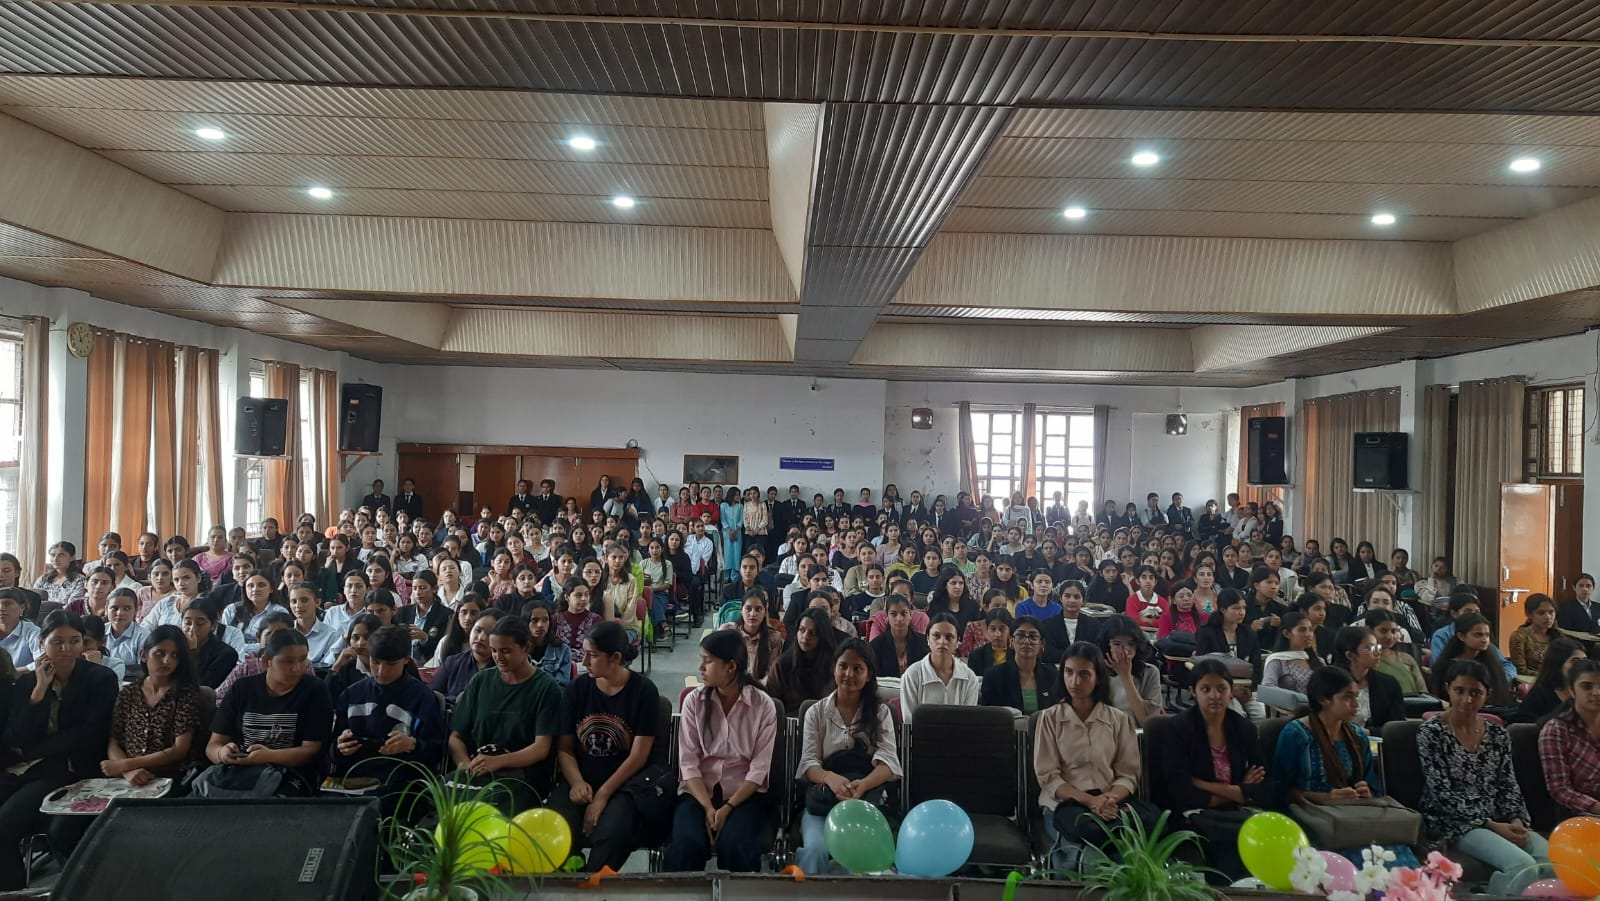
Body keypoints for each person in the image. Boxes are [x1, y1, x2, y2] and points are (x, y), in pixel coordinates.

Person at [0, 612, 114, 887]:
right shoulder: (27, 682)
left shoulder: (100, 678)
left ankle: (13, 890)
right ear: (42, 642)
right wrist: (39, 691)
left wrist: (31, 750)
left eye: (75, 641)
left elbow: (87, 735)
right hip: (26, 768)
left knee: (4, 826)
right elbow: (15, 735)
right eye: (57, 641)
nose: (66, 649)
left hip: (71, 768)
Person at [1419, 661, 1548, 895]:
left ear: (1487, 694)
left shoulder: (1498, 734)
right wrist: (1491, 825)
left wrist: (1517, 819)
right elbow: (1441, 793)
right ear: (1448, 689)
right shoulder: (1432, 732)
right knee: (1522, 866)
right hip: (1454, 821)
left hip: (1498, 816)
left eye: (1475, 693)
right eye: (1459, 691)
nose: (1466, 699)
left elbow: (1508, 783)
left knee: (1551, 860)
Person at [1273, 667, 1417, 868]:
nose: (1356, 704)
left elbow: (1373, 786)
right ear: (1324, 699)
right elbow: (1280, 790)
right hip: (1312, 819)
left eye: (1356, 696)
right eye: (1347, 697)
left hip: (1352, 817)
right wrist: (1326, 797)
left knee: (1395, 854)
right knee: (1361, 859)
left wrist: (1366, 791)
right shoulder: (1297, 735)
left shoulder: (1357, 736)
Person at [662, 629, 778, 873]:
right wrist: (708, 808)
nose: (701, 668)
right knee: (686, 846)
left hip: (744, 796)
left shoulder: (762, 705)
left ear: (731, 667)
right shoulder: (694, 702)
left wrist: (728, 808)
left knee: (737, 845)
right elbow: (688, 763)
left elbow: (759, 770)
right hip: (697, 793)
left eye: (708, 661)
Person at [553, 621, 663, 872]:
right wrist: (577, 782)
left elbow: (638, 756)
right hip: (582, 777)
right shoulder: (577, 689)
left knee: (614, 832)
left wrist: (602, 795)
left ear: (615, 658)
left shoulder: (643, 691)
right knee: (556, 825)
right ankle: (568, 879)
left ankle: (593, 884)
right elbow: (565, 748)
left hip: (626, 783)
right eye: (584, 654)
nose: (585, 662)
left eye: (592, 655)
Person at [1034, 641, 1162, 856]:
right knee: (1090, 845)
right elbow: (1048, 777)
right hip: (1065, 805)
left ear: (1098, 678)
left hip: (1111, 802)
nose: (1075, 681)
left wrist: (1109, 799)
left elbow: (1128, 774)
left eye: (1084, 674)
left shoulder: (1118, 719)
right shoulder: (1049, 718)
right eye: (1069, 672)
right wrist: (1091, 801)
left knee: (1143, 829)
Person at [1154, 659, 1276, 882]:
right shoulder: (1178, 728)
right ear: (1193, 692)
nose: (1214, 696)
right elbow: (1178, 788)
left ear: (1231, 691)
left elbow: (1265, 786)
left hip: (1233, 809)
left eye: (1221, 689)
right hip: (1192, 811)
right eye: (1206, 689)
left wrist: (1205, 785)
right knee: (1228, 847)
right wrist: (1239, 791)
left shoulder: (1244, 728)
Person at [795, 639, 902, 875]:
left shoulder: (881, 713)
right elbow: (809, 763)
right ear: (834, 668)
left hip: (865, 801)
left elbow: (888, 763)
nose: (848, 674)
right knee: (815, 851)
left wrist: (863, 785)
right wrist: (830, 778)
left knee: (854, 853)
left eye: (857, 668)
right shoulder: (816, 712)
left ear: (868, 675)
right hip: (823, 802)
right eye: (843, 666)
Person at [448, 615, 563, 813]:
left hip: (523, 777)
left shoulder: (546, 687)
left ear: (526, 647)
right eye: (494, 650)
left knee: (488, 812)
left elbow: (541, 748)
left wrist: (497, 762)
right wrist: (466, 767)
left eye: (506, 651)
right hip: (478, 771)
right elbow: (456, 737)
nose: (498, 657)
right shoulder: (481, 681)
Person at [202, 628, 334, 797]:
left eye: (302, 660)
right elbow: (213, 746)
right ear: (266, 662)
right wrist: (222, 754)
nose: (297, 668)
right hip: (238, 772)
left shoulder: (315, 690)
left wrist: (268, 756)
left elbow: (311, 751)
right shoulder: (242, 689)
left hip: (291, 775)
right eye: (287, 661)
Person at [329, 625, 446, 815]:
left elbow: (436, 750)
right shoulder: (351, 694)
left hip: (399, 779)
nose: (381, 671)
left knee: (374, 810)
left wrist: (413, 745)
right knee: (325, 809)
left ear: (406, 659)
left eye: (390, 664)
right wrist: (340, 748)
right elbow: (332, 750)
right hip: (353, 776)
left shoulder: (422, 697)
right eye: (375, 662)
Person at [103, 624, 202, 785]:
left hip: (168, 776)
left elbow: (179, 750)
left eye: (174, 655)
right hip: (128, 776)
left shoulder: (184, 694)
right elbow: (114, 742)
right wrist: (129, 772)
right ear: (143, 655)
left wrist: (126, 765)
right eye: (160, 653)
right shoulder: (129, 692)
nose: (167, 661)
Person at [1537, 658, 1600, 815]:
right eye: (1586, 686)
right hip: (1580, 813)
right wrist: (1596, 807)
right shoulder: (1556, 730)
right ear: (1572, 690)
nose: (1596, 693)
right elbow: (1560, 789)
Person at [900, 613, 978, 723]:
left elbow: (968, 722)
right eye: (936, 636)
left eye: (949, 637)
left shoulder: (969, 678)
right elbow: (909, 722)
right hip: (920, 734)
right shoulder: (912, 675)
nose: (942, 642)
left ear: (957, 642)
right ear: (928, 639)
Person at [1328, 625, 1406, 730]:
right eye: (1370, 648)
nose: (1377, 652)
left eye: (1377, 647)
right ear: (1350, 655)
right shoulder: (1329, 682)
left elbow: (1397, 727)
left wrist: (1369, 733)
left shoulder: (1389, 683)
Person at [979, 615, 1059, 714]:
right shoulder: (994, 676)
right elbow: (988, 717)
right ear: (1011, 641)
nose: (1026, 641)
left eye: (1033, 637)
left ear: (1042, 643)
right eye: (1020, 636)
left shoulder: (1053, 676)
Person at [1432, 613, 1513, 705]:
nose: (1484, 640)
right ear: (1461, 636)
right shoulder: (1446, 666)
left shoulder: (1491, 663)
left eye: (1487, 635)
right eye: (1478, 635)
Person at [429, 608, 505, 703]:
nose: (481, 637)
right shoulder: (452, 662)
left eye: (489, 634)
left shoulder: (505, 669)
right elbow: (432, 695)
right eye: (478, 630)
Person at [768, 608, 837, 712]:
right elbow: (772, 704)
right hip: (790, 719)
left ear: (822, 636)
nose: (805, 637)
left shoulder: (834, 665)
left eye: (812, 633)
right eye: (802, 630)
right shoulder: (783, 664)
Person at [1097, 615, 1162, 725]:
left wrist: (1125, 676)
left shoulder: (1150, 672)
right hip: (1102, 730)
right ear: (1107, 645)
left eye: (1131, 644)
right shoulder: (1095, 670)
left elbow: (1148, 722)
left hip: (1135, 731)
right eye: (1117, 644)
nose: (1125, 651)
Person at [721, 589, 782, 686]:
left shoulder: (774, 638)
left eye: (758, 609)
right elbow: (721, 668)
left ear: (765, 612)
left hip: (760, 689)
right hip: (731, 687)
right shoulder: (729, 633)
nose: (753, 614)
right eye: (748, 609)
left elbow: (770, 674)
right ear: (741, 610)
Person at [1260, 610, 1319, 711]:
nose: (1308, 634)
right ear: (1287, 633)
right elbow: (1268, 688)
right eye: (1302, 630)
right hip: (1290, 713)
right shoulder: (1278, 660)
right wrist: (1300, 701)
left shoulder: (1317, 661)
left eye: (1310, 630)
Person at [1516, 639, 1585, 724]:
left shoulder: (1588, 691)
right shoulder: (1539, 694)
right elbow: (1523, 726)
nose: (1582, 665)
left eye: (1584, 660)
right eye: (1575, 661)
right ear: (1558, 664)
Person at [1195, 589, 1260, 672]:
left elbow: (1256, 665)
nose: (1242, 613)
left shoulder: (1248, 633)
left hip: (1245, 678)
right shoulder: (1206, 633)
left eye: (1244, 608)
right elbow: (1202, 665)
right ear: (1223, 610)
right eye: (1236, 608)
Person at [1365, 610, 1427, 695]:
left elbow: (1423, 692)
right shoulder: (1364, 659)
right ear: (1368, 630)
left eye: (1393, 631)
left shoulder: (1407, 658)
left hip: (1414, 702)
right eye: (1383, 631)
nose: (1390, 636)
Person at [183, 599, 240, 690]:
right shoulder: (174, 646)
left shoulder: (226, 654)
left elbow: (202, 686)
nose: (192, 628)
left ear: (213, 625)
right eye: (187, 623)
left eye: (200, 623)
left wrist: (192, 651)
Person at [868, 594, 928, 677]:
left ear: (910, 615)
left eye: (904, 613)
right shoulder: (876, 645)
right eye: (893, 614)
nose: (899, 619)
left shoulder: (923, 642)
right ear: (887, 617)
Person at [1510, 593, 1558, 678]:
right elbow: (1520, 670)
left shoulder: (1559, 636)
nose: (1548, 617)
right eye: (1541, 613)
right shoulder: (1520, 636)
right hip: (1531, 681)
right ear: (1529, 614)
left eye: (1551, 612)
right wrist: (1550, 676)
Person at [0, 588, 40, 670]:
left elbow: (42, 660)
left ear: (22, 607)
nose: (1, 608)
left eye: (7, 604)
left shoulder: (32, 632)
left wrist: (18, 671)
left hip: (23, 677)